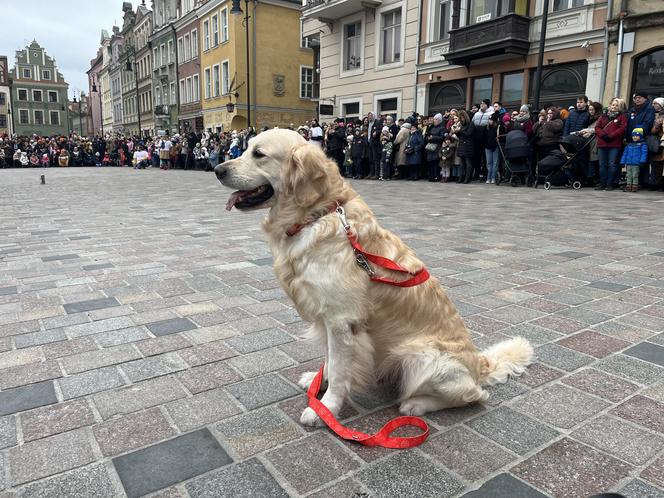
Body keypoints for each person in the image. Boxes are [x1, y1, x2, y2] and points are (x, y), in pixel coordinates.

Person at [594, 98, 627, 191]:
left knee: (612, 164)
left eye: (617, 105)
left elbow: (622, 129)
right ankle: (602, 183)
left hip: (614, 144)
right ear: (610, 105)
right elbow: (597, 127)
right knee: (602, 164)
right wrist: (603, 135)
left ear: (620, 107)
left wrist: (611, 136)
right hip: (602, 143)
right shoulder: (603, 116)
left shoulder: (622, 117)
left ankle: (610, 184)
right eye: (613, 105)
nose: (614, 107)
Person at [626, 91, 656, 187]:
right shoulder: (632, 109)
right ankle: (631, 182)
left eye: (639, 97)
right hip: (632, 139)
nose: (637, 99)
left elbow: (648, 123)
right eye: (635, 98)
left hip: (643, 138)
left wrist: (638, 133)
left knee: (642, 161)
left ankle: (643, 182)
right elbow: (628, 124)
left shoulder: (649, 109)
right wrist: (627, 136)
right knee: (632, 160)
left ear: (645, 98)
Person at [450, 110, 475, 183]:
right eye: (460, 118)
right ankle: (460, 178)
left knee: (468, 163)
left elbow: (468, 134)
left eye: (462, 117)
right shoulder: (462, 124)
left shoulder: (471, 124)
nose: (461, 119)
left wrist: (460, 131)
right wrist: (456, 132)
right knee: (462, 163)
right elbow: (460, 136)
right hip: (461, 145)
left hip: (468, 145)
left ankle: (467, 178)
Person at [620, 127, 648, 192]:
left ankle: (635, 185)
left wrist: (642, 161)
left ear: (640, 136)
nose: (635, 137)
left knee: (635, 175)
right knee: (628, 175)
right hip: (629, 163)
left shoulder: (643, 144)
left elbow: (644, 153)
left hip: (636, 163)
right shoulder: (629, 144)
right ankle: (628, 185)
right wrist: (622, 161)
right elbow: (625, 153)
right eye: (633, 136)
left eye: (637, 136)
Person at [425, 113, 446, 181]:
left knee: (435, 163)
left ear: (439, 120)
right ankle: (431, 176)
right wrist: (428, 138)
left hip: (437, 147)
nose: (434, 120)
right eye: (434, 119)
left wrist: (433, 137)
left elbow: (442, 137)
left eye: (436, 119)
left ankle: (436, 176)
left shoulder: (442, 128)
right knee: (430, 162)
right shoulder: (432, 128)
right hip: (430, 147)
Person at [651, 97, 664, 190]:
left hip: (662, 140)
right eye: (653, 103)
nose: (654, 105)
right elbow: (652, 131)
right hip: (655, 142)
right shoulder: (652, 114)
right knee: (656, 163)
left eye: (656, 104)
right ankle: (656, 183)